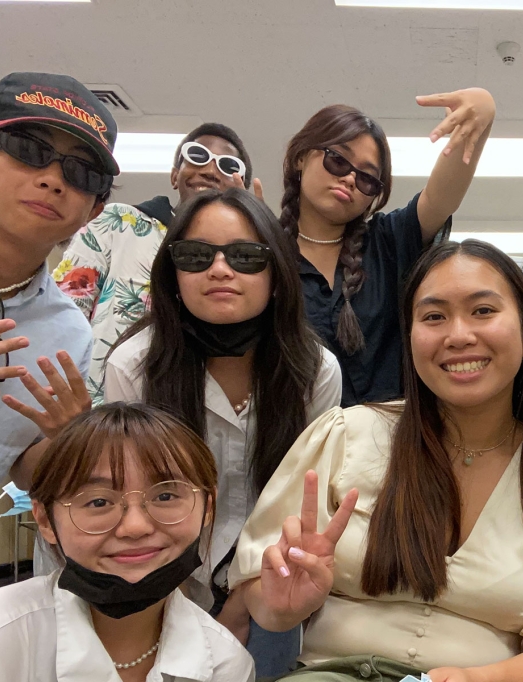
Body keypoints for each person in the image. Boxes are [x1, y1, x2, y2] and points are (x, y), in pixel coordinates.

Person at [229, 240, 523, 681]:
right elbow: (256, 596)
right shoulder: (345, 436)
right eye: (433, 316)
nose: (459, 335)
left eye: (483, 311)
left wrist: (476, 679)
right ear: (409, 337)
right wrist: (280, 605)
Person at [103, 189, 341, 665]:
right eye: (195, 255)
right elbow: (134, 506)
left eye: (245, 256)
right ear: (172, 276)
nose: (219, 269)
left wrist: (244, 596)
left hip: (271, 580)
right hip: (157, 583)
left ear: (277, 276)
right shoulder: (135, 366)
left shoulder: (314, 371)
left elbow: (301, 503)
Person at [0, 72, 114, 629]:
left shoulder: (69, 335)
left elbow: (26, 471)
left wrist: (63, 442)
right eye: (30, 151)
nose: (53, 180)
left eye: (80, 172)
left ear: (93, 211)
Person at [0, 403, 256, 681]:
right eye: (98, 502)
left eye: (166, 495)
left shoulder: (226, 665)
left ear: (207, 507)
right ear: (45, 520)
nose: (135, 526)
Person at [280, 88, 495, 406]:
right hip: (302, 447)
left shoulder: (388, 241)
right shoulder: (266, 256)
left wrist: (483, 109)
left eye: (367, 178)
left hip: (395, 441)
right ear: (301, 157)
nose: (350, 179)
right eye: (338, 160)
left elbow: (440, 198)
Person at [54, 123, 255, 404]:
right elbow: (65, 310)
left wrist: (250, 232)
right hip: (101, 412)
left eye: (227, 165)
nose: (210, 170)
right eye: (196, 156)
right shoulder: (118, 224)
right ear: (175, 176)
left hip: (188, 415)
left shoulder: (240, 260)